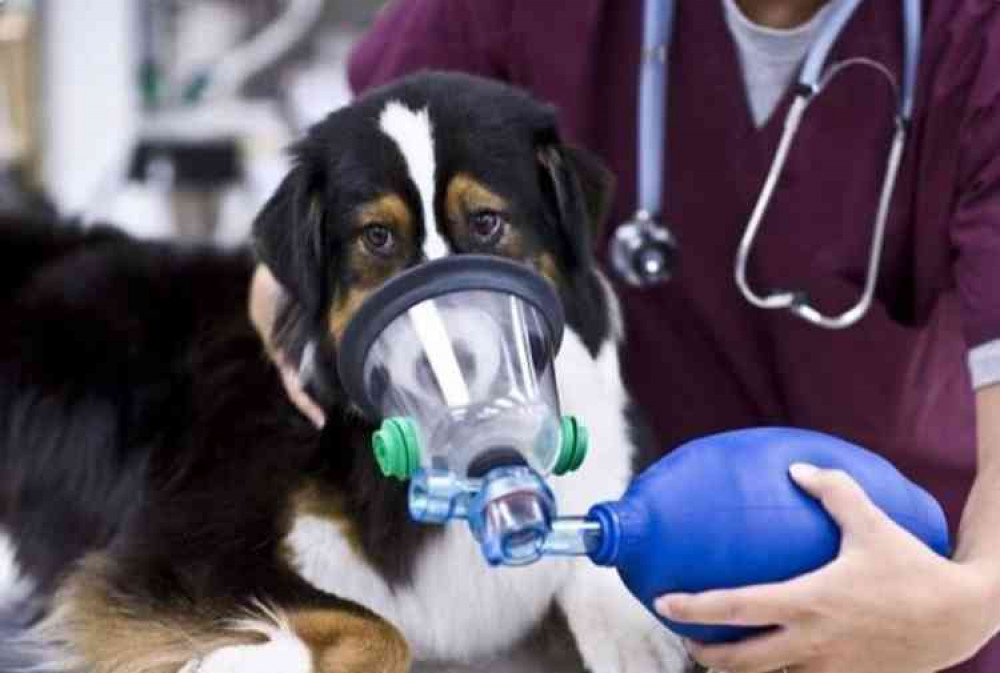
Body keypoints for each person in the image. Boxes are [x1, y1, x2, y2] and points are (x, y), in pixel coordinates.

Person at [344, 1, 1000, 672]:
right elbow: (326, 236)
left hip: (905, 595)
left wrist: (967, 600)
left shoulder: (977, 37)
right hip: (596, 595)